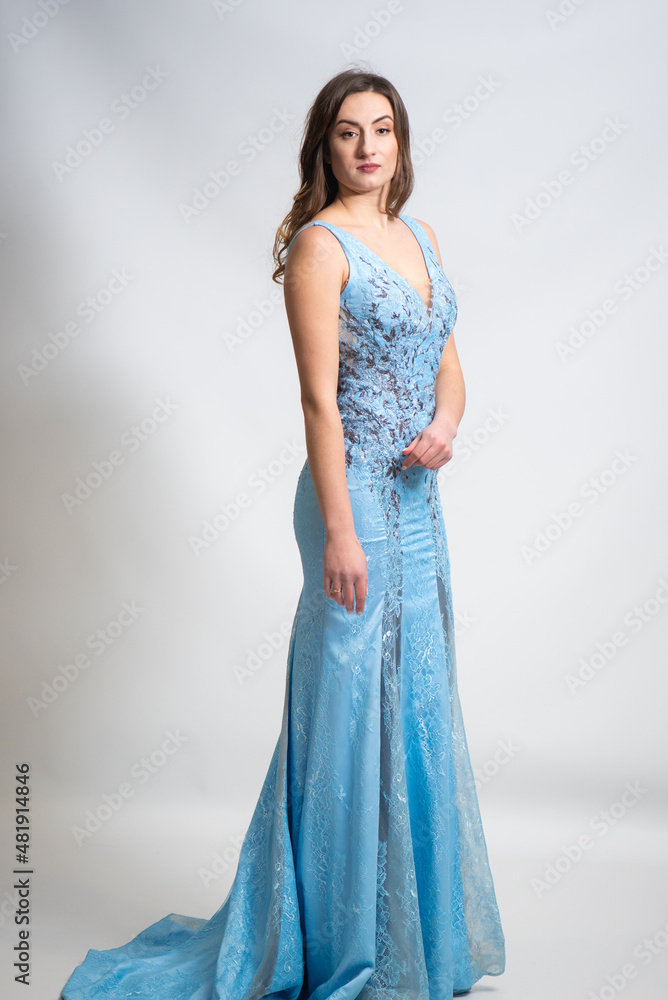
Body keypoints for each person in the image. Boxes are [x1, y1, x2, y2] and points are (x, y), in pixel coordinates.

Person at [59, 68, 506, 1000]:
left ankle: (414, 945)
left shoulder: (419, 234)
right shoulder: (319, 246)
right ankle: (337, 948)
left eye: (383, 129)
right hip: (353, 506)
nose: (368, 147)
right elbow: (316, 402)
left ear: (402, 142)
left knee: (416, 706)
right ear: (324, 146)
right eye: (349, 132)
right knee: (346, 722)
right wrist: (341, 534)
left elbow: (449, 361)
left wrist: (448, 424)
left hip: (421, 505)